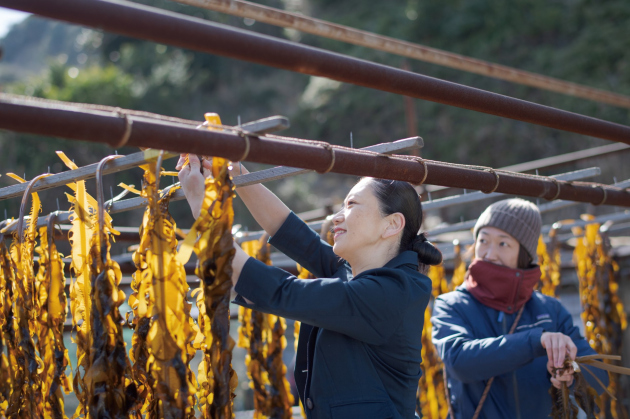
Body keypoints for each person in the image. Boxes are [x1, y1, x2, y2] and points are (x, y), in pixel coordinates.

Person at [178, 155, 442, 419]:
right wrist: (235, 171)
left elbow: (282, 291)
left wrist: (200, 205)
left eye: (351, 204)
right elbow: (292, 232)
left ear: (392, 224)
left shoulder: (390, 294)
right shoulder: (355, 273)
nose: (337, 217)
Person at [431, 198, 609, 419]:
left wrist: (572, 374)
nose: (489, 253)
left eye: (503, 243)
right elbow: (458, 361)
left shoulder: (550, 309)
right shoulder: (452, 305)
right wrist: (534, 341)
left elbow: (599, 376)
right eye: (483, 240)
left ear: (524, 254)